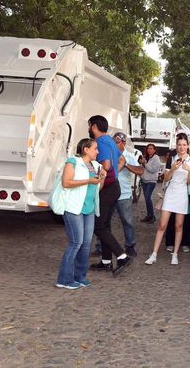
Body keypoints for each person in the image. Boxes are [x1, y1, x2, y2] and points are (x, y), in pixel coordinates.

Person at [56, 138, 103, 289]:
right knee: (76, 242)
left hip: (89, 209)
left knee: (86, 244)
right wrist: (88, 181)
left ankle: (80, 276)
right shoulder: (73, 162)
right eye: (95, 148)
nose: (98, 151)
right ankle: (64, 280)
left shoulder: (96, 165)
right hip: (73, 208)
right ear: (86, 149)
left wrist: (100, 179)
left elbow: (96, 188)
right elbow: (66, 182)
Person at [88, 116, 132, 272]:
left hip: (107, 188)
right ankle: (106, 262)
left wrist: (96, 175)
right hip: (114, 186)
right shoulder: (111, 141)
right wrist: (115, 175)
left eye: (89, 126)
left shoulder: (100, 142)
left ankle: (122, 256)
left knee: (98, 226)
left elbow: (106, 165)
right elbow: (121, 161)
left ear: (93, 126)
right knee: (105, 225)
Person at [144, 134, 190, 266]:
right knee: (162, 225)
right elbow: (166, 178)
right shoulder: (171, 159)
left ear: (188, 146)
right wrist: (173, 169)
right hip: (171, 192)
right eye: (179, 145)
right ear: (176, 146)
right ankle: (154, 253)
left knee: (179, 226)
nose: (182, 147)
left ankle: (175, 254)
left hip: (182, 194)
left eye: (184, 145)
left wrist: (189, 171)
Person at [111, 132, 143, 257]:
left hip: (124, 195)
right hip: (109, 194)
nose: (114, 145)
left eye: (116, 143)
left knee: (127, 222)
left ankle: (130, 246)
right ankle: (101, 247)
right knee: (104, 222)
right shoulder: (110, 155)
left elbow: (140, 171)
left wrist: (126, 165)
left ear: (123, 143)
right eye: (113, 142)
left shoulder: (129, 156)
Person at [140, 144, 162, 223]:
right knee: (146, 198)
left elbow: (153, 170)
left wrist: (145, 164)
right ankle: (149, 215)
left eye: (151, 148)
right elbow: (143, 168)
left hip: (151, 181)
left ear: (154, 150)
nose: (149, 150)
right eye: (148, 148)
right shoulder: (146, 157)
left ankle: (152, 216)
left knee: (148, 197)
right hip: (144, 180)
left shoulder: (156, 159)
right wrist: (142, 163)